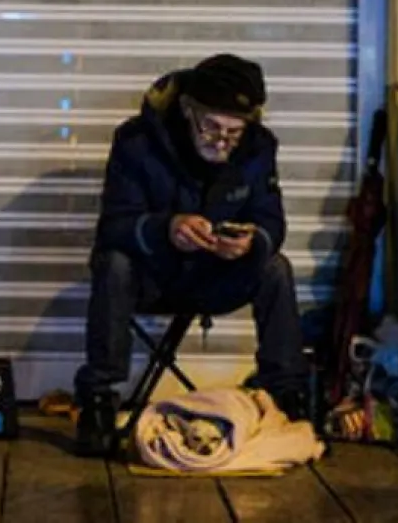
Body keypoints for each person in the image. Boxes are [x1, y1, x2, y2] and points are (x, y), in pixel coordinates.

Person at [73, 54, 311, 457]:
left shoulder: (259, 148)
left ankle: (287, 400)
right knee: (113, 263)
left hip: (218, 274)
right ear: (187, 109)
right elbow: (113, 226)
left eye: (234, 133)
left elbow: (272, 221)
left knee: (275, 268)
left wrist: (253, 242)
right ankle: (99, 400)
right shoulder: (136, 142)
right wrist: (165, 229)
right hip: (152, 277)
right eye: (212, 127)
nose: (222, 141)